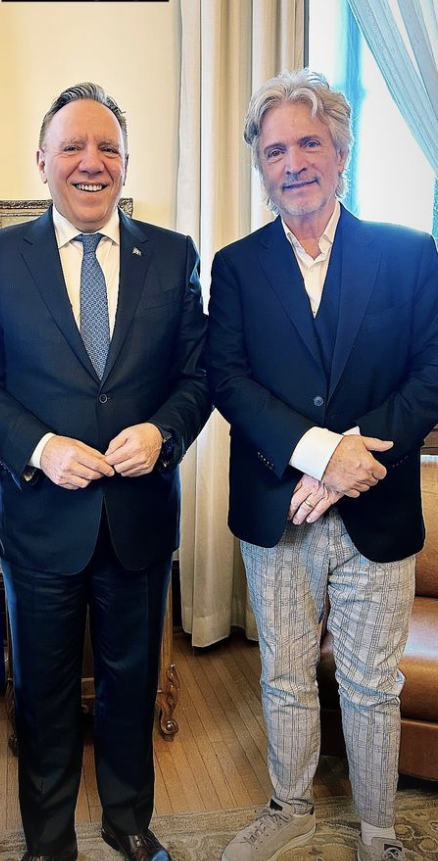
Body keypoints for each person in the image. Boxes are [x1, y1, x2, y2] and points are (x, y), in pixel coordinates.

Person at [0, 82, 210, 861]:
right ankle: (47, 841)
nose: (90, 162)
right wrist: (39, 448)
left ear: (124, 164)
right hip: (39, 523)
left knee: (132, 685)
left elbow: (198, 378)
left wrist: (163, 433)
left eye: (107, 148)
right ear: (43, 162)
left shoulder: (171, 255)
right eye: (72, 146)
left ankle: (130, 823)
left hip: (138, 518)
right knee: (42, 694)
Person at [207, 69, 438, 861]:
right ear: (262, 166)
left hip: (378, 507)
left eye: (310, 143)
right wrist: (317, 454)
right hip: (277, 508)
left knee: (376, 684)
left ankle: (378, 831)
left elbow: (432, 374)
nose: (294, 162)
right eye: (276, 150)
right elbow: (228, 379)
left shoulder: (409, 255)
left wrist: (351, 462)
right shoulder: (235, 267)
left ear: (341, 153)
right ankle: (290, 807)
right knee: (285, 673)